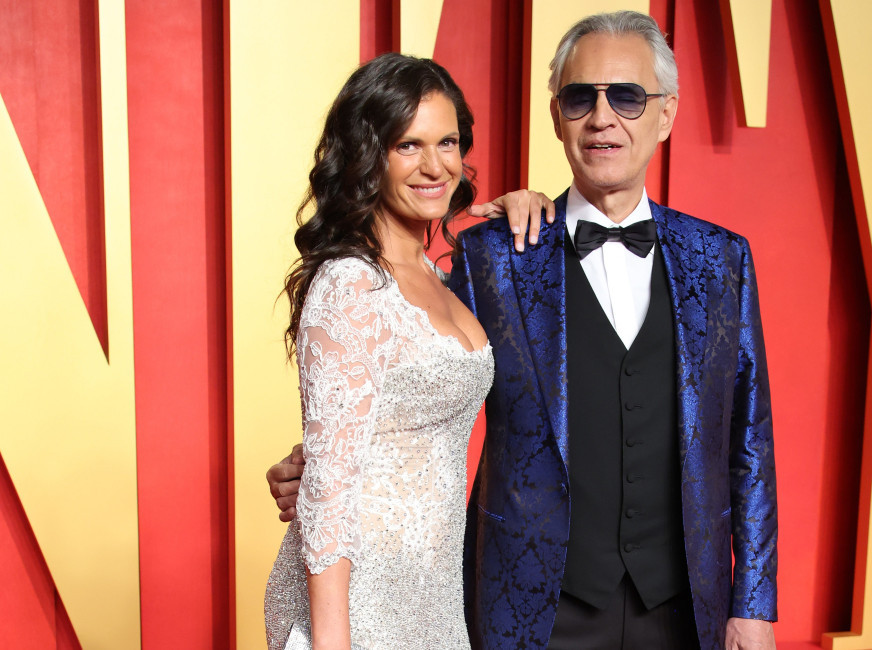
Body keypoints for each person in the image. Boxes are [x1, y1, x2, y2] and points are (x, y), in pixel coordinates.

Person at [269, 11, 778, 649]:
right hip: (529, 609)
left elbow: (749, 441)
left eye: (626, 96)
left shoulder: (720, 259)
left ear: (666, 113)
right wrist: (315, 467)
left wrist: (752, 603)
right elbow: (405, 361)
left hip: (682, 608)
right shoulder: (494, 257)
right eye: (578, 97)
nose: (602, 118)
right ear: (556, 115)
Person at [263, 53, 500, 650]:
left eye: (447, 142)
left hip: (431, 601)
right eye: (407, 145)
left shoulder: (430, 272)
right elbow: (329, 495)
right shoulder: (350, 284)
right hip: (359, 607)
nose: (434, 165)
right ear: (369, 156)